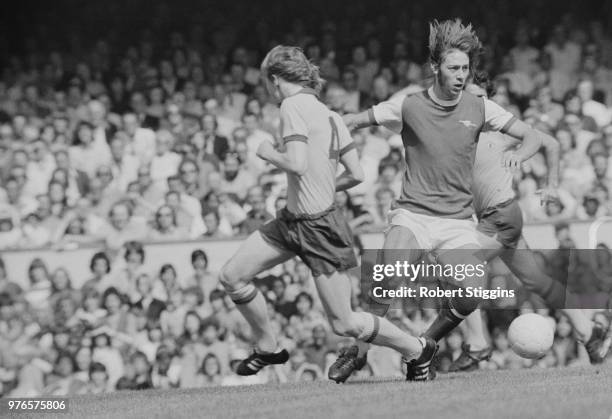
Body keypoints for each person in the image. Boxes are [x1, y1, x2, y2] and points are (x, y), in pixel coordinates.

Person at [331, 19, 545, 382]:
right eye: (453, 68)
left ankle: (425, 346)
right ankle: (359, 352)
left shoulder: (480, 108)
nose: (461, 75)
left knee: (471, 295)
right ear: (435, 68)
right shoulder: (408, 105)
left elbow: (533, 136)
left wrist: (520, 155)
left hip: (457, 222)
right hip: (413, 215)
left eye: (465, 68)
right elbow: (354, 121)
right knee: (387, 279)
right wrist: (329, 131)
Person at [219, 45, 426, 379]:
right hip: (291, 221)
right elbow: (357, 175)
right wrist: (325, 185)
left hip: (318, 228)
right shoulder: (331, 116)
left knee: (344, 323)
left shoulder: (290, 106)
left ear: (274, 80)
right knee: (232, 276)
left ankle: (416, 349)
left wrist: (267, 152)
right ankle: (267, 346)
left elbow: (297, 164)